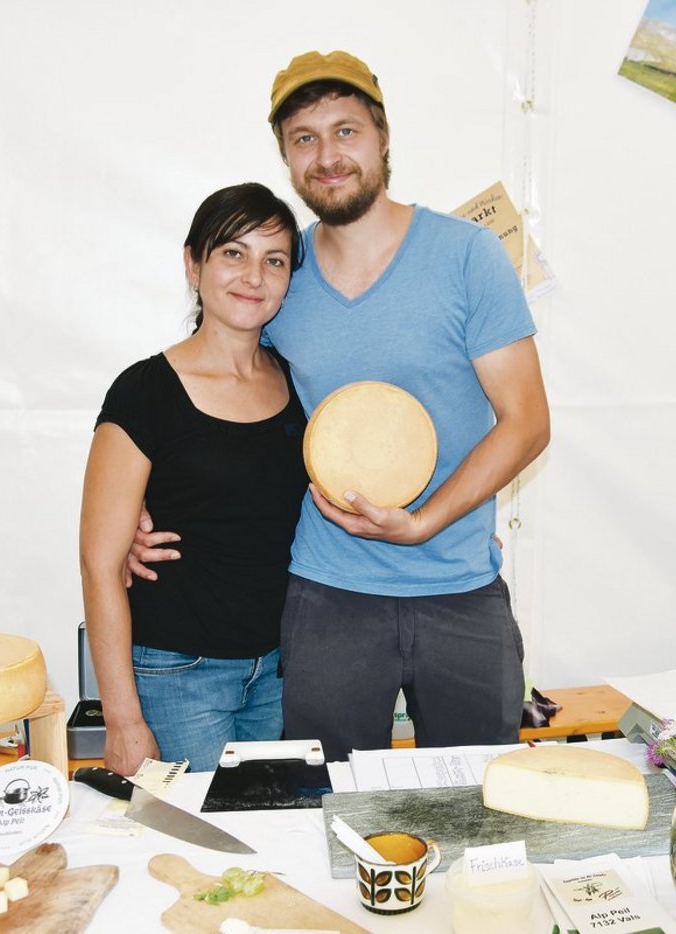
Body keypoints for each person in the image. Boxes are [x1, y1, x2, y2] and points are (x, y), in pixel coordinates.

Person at [132, 51, 551, 762]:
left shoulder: (468, 256)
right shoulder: (276, 272)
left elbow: (527, 422)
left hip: (460, 588)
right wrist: (146, 504)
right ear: (287, 158)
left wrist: (426, 522)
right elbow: (217, 390)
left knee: (478, 804)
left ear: (383, 138)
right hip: (327, 597)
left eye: (346, 131)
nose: (328, 156)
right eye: (305, 138)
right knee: (327, 811)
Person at [81, 183, 308, 774]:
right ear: (193, 263)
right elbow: (100, 563)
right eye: (233, 252)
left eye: (274, 260)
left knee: (271, 845)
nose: (253, 275)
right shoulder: (144, 392)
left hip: (282, 672)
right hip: (179, 677)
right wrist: (123, 720)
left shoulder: (300, 385)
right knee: (196, 850)